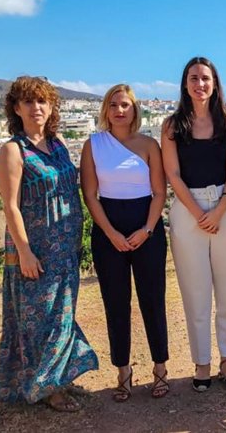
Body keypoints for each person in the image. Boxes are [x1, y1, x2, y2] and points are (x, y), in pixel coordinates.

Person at [0, 76, 98, 412]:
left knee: (62, 314)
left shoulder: (57, 144)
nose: (36, 107)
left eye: (42, 101)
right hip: (36, 249)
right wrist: (24, 251)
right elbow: (10, 206)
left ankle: (60, 378)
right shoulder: (13, 150)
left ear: (51, 106)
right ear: (16, 108)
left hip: (66, 246)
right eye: (28, 101)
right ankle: (49, 388)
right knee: (40, 319)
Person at [161, 57, 226, 392]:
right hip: (186, 210)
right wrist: (198, 213)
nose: (200, 84)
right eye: (194, 78)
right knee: (195, 291)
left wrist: (221, 207)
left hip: (225, 207)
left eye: (206, 78)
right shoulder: (172, 126)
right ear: (185, 83)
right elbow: (172, 174)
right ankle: (202, 362)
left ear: (215, 83)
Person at [81, 84, 169, 402]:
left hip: (147, 227)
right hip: (108, 230)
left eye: (126, 105)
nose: (120, 110)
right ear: (106, 110)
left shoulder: (148, 144)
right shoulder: (93, 145)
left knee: (152, 300)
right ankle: (123, 371)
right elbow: (90, 195)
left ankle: (160, 368)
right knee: (116, 303)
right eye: (114, 105)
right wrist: (111, 233)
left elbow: (160, 192)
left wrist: (147, 229)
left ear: (135, 110)